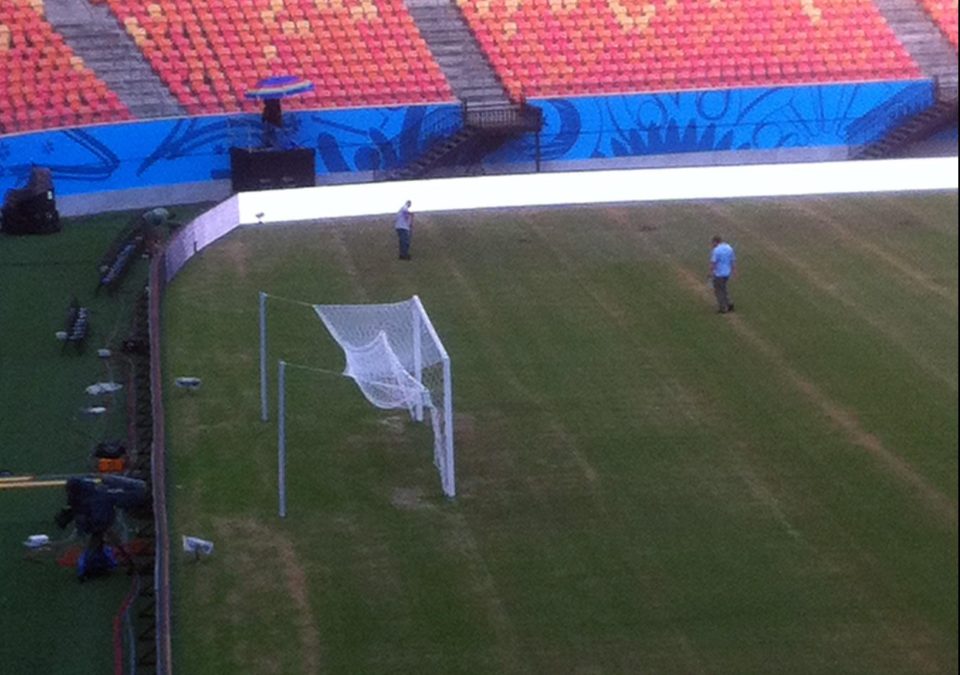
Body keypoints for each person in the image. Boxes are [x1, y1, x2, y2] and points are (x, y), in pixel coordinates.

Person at [709, 235, 736, 313]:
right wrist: (734, 271)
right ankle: (730, 303)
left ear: (715, 242)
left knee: (718, 291)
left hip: (718, 274)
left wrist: (710, 273)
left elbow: (713, 263)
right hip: (727, 273)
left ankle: (723, 307)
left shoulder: (716, 250)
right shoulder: (729, 248)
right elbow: (733, 260)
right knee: (724, 288)